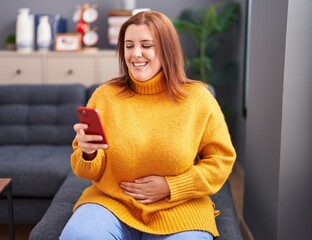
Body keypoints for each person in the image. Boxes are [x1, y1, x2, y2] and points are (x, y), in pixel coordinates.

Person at [60, 10, 236, 240]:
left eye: (146, 45)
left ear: (166, 49)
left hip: (179, 208)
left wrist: (172, 186)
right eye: (129, 45)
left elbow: (221, 161)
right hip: (112, 204)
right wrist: (89, 152)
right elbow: (85, 170)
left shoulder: (198, 99)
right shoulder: (105, 96)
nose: (136, 54)